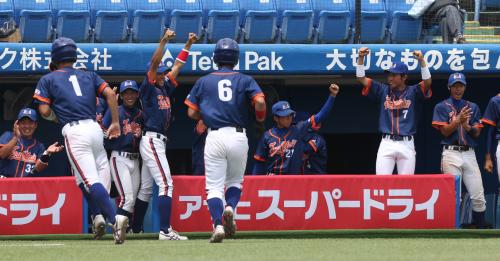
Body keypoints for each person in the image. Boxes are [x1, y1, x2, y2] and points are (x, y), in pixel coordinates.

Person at [32, 37, 125, 244]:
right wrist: (116, 122)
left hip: (74, 131)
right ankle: (98, 217)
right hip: (94, 129)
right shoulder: (88, 74)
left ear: (54, 58)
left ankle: (114, 219)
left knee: (89, 181)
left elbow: (45, 110)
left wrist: (58, 116)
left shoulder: (48, 78)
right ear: (74, 55)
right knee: (89, 179)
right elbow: (110, 94)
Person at [185, 38, 266, 243]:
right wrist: (259, 119)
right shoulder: (245, 79)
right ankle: (230, 207)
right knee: (235, 182)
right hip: (238, 135)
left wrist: (207, 115)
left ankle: (218, 225)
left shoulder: (204, 80)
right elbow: (260, 102)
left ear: (216, 58)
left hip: (215, 135)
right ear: (236, 59)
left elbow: (191, 112)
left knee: (213, 186)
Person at [132, 30, 197, 240]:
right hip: (151, 139)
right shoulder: (148, 89)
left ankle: (136, 230)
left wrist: (188, 45)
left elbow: (177, 65)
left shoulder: (164, 87)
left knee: (147, 188)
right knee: (167, 184)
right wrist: (164, 41)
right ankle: (165, 230)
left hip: (157, 140)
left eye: (162, 73)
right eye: (159, 73)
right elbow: (154, 62)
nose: (162, 75)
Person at [356, 47, 432, 175]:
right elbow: (361, 78)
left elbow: (427, 83)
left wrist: (422, 61)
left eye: (394, 75)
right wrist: (361, 58)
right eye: (389, 74)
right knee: (381, 184)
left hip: (407, 143)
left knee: (406, 185)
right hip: (387, 142)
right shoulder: (382, 89)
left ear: (404, 77)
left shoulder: (413, 91)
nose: (390, 78)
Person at [431, 72, 488, 228]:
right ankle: (453, 231)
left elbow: (477, 133)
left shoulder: (472, 106)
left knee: (478, 196)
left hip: (469, 153)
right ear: (449, 87)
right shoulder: (441, 106)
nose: (458, 89)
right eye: (455, 86)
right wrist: (458, 121)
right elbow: (445, 132)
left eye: (460, 86)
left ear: (465, 87)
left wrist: (466, 125)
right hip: (451, 153)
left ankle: (481, 231)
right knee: (454, 197)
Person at [252, 85, 338, 175]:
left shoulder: (298, 129)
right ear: (276, 118)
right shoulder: (267, 136)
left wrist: (332, 96)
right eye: (285, 116)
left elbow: (320, 116)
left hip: (292, 180)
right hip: (273, 179)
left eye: (290, 115)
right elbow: (259, 163)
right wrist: (254, 184)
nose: (289, 118)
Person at [102, 80, 143, 231]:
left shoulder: (140, 114)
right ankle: (118, 231)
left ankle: (125, 230)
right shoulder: (116, 111)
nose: (129, 96)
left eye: (132, 92)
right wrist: (109, 136)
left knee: (131, 202)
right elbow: (102, 133)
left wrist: (141, 135)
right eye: (126, 93)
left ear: (137, 94)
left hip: (135, 159)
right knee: (127, 198)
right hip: (119, 157)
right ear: (122, 95)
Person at [0, 108, 64, 178]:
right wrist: (16, 138)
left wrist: (47, 153)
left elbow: (38, 168)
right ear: (17, 124)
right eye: (23, 122)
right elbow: (2, 154)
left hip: (25, 186)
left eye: (30, 123)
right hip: (5, 183)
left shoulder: (39, 146)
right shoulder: (8, 136)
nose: (27, 126)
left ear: (35, 125)